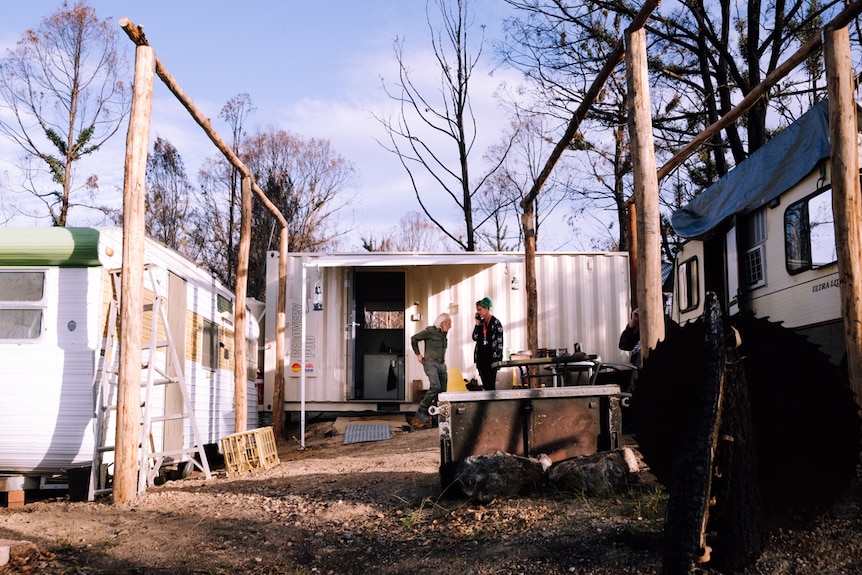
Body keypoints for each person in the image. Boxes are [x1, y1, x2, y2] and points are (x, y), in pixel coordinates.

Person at [410, 312, 451, 428]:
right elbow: (414, 338)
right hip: (430, 363)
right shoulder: (430, 331)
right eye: (449, 323)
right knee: (435, 386)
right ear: (442, 323)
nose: (450, 325)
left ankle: (437, 419)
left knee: (442, 392)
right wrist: (418, 354)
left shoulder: (444, 334)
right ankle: (421, 410)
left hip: (441, 364)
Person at [473, 297, 503, 390]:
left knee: (490, 383)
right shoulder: (481, 323)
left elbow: (499, 342)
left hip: (491, 357)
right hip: (481, 357)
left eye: (480, 309)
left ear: (487, 309)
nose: (478, 312)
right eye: (477, 310)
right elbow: (475, 337)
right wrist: (477, 324)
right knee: (485, 384)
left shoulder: (495, 322)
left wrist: (498, 359)